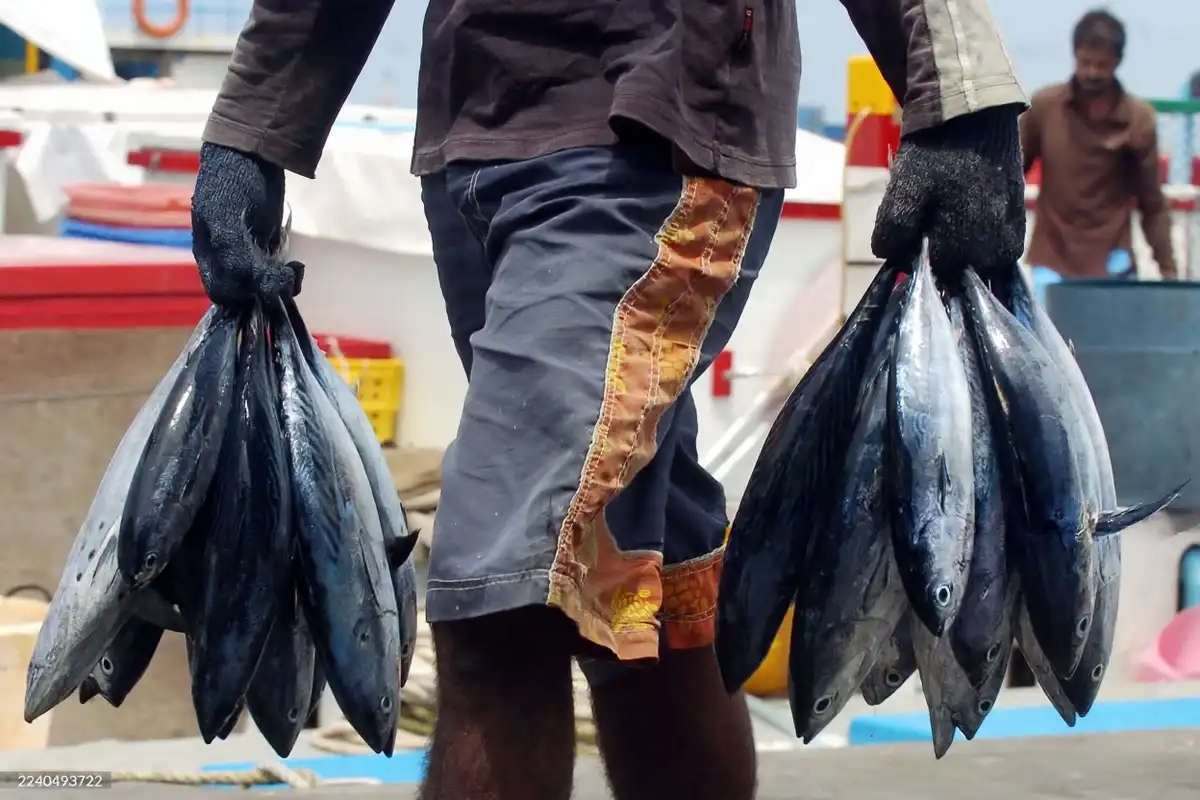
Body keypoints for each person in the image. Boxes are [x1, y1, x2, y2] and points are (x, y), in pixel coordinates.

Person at [189, 2, 1027, 798]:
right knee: (646, 600)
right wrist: (252, 131)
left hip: (653, 128)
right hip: (474, 144)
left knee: (505, 604)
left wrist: (959, 101)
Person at [1021, 9, 1178, 289]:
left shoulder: (1138, 120)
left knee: (1117, 334)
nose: (1092, 72)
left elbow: (1152, 203)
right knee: (1047, 333)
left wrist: (1169, 272)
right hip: (1052, 260)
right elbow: (1009, 171)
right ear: (1074, 56)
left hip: (1112, 262)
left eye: (1101, 65)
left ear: (1117, 61)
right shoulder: (1045, 108)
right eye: (1085, 62)